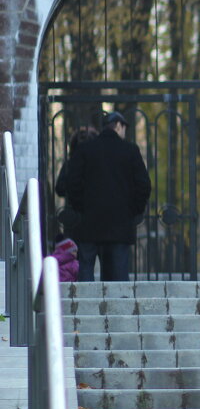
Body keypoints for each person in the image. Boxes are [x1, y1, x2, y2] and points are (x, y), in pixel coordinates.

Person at [65, 111, 152, 282]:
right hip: (120, 225)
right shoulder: (130, 150)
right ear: (118, 126)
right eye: (124, 128)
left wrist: (81, 207)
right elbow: (144, 185)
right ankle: (118, 308)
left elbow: (71, 183)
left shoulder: (85, 150)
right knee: (118, 277)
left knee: (86, 271)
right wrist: (133, 210)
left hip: (89, 223)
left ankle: (84, 307)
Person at [54, 125, 97, 239]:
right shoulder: (98, 165)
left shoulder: (69, 164)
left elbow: (60, 188)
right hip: (94, 216)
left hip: (74, 216)